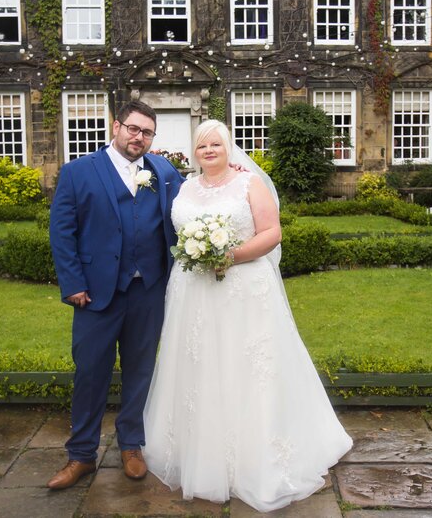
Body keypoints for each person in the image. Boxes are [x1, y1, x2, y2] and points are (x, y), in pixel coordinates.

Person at [142, 119, 353, 512]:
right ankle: (200, 453)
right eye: (202, 145)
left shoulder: (248, 183)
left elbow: (272, 232)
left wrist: (230, 255)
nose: (209, 151)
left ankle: (256, 458)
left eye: (216, 145)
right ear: (195, 151)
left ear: (229, 148)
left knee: (246, 369)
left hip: (242, 289)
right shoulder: (185, 186)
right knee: (199, 368)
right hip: (194, 292)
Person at [47, 100, 184, 489]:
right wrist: (72, 283)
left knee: (141, 372)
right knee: (90, 373)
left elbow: (197, 201)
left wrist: (235, 173)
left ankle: (131, 445)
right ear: (116, 126)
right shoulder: (78, 172)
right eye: (133, 129)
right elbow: (62, 231)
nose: (139, 137)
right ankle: (81, 455)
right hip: (95, 294)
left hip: (148, 291)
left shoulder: (164, 171)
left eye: (147, 132)